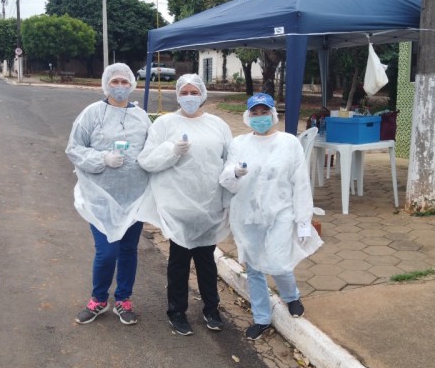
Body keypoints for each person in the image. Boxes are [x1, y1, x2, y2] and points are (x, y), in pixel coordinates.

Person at [219, 92, 323, 341]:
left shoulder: (288, 142)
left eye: (264, 112)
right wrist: (235, 172)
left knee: (278, 262)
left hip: (280, 212)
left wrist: (303, 220)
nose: (260, 117)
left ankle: (291, 296)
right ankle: (261, 318)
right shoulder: (239, 144)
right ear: (247, 116)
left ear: (273, 114)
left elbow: (300, 182)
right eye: (254, 113)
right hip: (247, 214)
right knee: (254, 268)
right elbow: (227, 182)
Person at [138, 74, 233, 336]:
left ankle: (211, 309)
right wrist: (172, 150)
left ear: (202, 94)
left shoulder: (218, 125)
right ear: (177, 94)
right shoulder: (165, 124)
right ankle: (176, 311)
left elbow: (229, 161)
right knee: (179, 262)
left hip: (209, 206)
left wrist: (232, 188)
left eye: (194, 92)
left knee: (206, 261)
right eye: (185, 92)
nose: (189, 96)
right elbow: (147, 161)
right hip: (178, 206)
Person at [65, 63, 151, 326]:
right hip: (100, 196)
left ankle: (123, 299)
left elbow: (152, 151)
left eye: (125, 82)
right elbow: (74, 149)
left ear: (132, 84)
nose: (120, 87)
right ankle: (99, 299)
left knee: (128, 250)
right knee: (106, 252)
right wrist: (102, 158)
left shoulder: (142, 117)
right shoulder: (92, 113)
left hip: (134, 196)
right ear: (106, 84)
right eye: (115, 81)